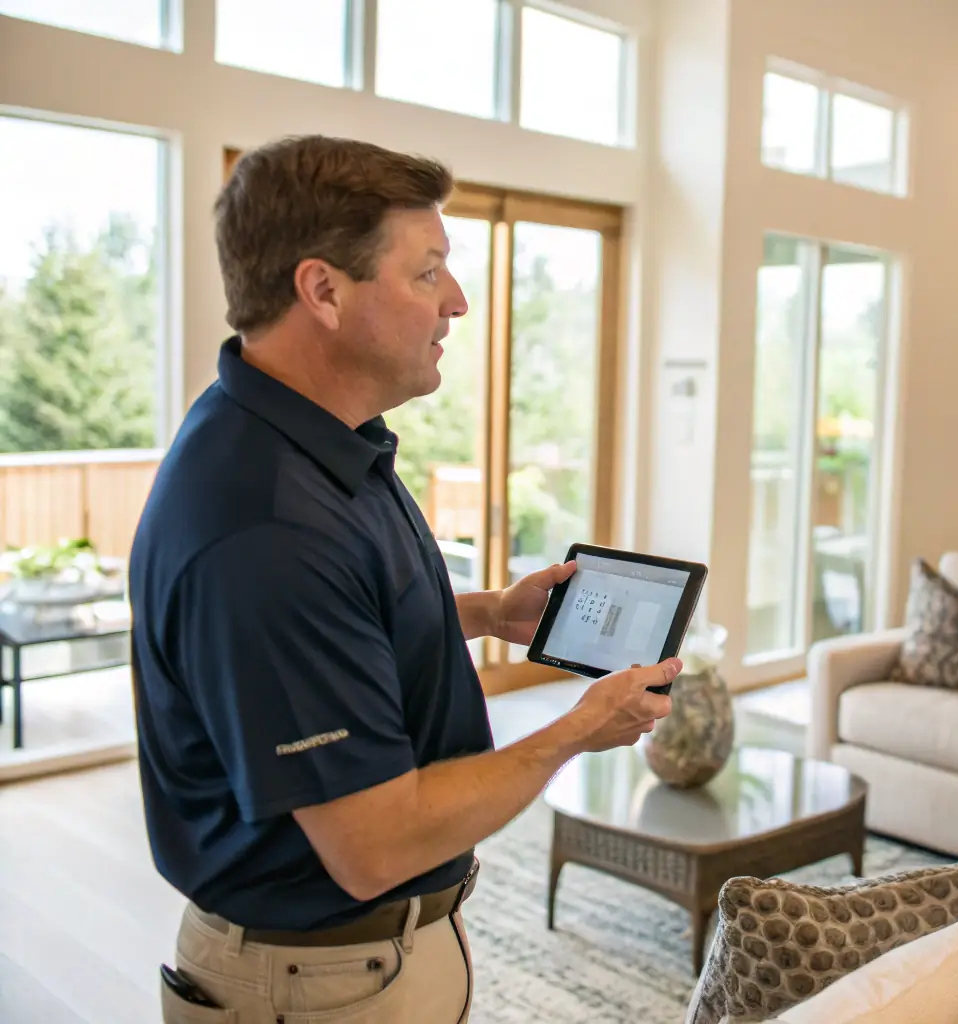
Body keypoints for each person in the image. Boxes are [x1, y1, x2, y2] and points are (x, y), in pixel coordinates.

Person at [130, 135, 678, 1023]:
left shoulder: (299, 438)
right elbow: (373, 848)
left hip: (352, 967)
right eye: (428, 274)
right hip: (323, 987)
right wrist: (575, 730)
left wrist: (487, 612)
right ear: (324, 290)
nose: (457, 302)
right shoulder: (267, 529)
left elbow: (337, 621)